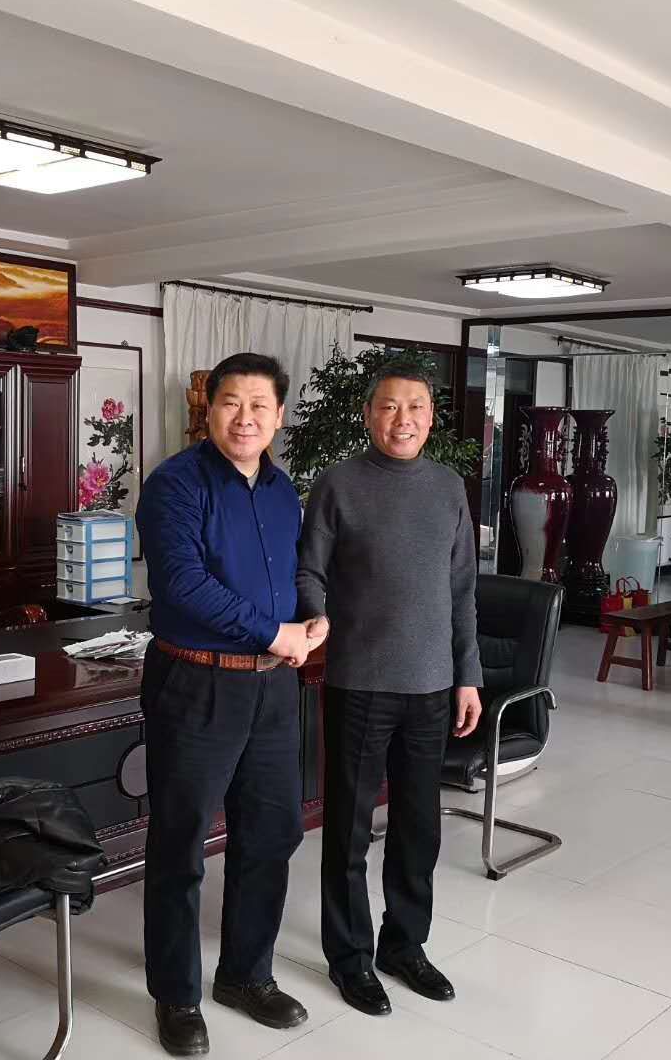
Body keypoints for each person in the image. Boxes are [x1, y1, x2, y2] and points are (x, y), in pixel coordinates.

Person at [136, 352, 323, 1057]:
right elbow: (182, 583)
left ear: (279, 416)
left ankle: (246, 975)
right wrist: (274, 631)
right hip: (196, 683)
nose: (245, 418)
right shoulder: (175, 484)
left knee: (271, 834)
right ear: (208, 410)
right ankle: (176, 995)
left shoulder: (281, 488)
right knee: (181, 842)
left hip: (273, 686)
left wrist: (313, 617)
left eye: (259, 406)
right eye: (231, 403)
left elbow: (292, 571)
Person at [296, 363, 482, 1016]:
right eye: (389, 407)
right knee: (348, 831)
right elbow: (309, 570)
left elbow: (462, 589)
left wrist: (468, 675)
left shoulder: (449, 487)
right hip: (359, 683)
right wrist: (316, 616)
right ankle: (349, 957)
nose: (403, 420)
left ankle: (404, 944)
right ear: (368, 415)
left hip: (431, 687)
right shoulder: (339, 483)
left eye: (416, 408)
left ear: (431, 418)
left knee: (417, 828)